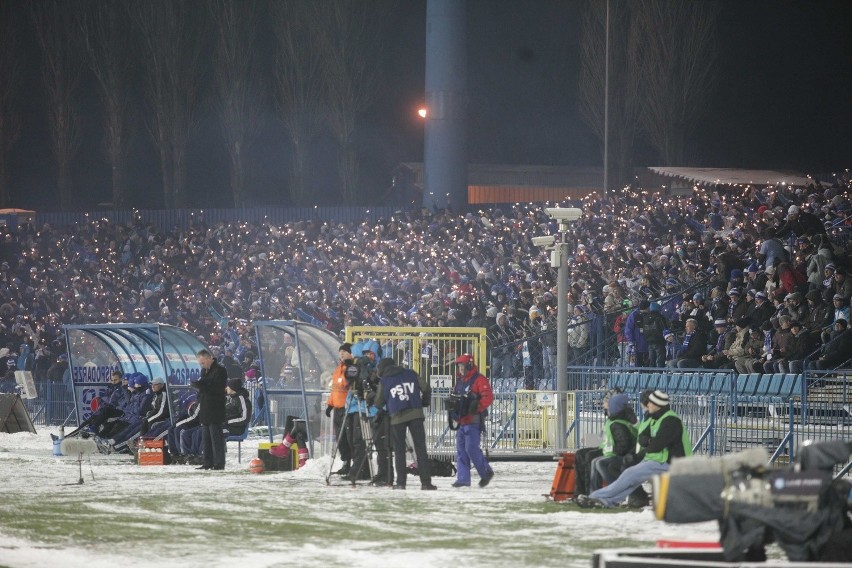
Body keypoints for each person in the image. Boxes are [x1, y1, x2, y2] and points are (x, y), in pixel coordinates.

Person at [576, 390, 691, 508]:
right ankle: (606, 501)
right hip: (657, 460)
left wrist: (648, 442)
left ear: (657, 404)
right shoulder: (656, 418)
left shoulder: (670, 421)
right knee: (629, 478)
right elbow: (642, 438)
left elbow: (655, 446)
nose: (647, 405)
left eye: (650, 402)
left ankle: (595, 496)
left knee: (628, 475)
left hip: (670, 463)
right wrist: (649, 441)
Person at [372, 357, 437, 490]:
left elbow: (378, 402)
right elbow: (426, 388)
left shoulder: (385, 381)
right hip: (416, 414)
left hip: (397, 417)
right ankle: (426, 483)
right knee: (421, 449)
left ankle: (401, 483)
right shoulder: (411, 373)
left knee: (400, 451)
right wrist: (424, 402)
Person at [449, 354, 495, 488]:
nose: (460, 368)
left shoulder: (479, 380)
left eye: (462, 365)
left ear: (469, 365)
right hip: (462, 421)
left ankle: (486, 472)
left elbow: (488, 397)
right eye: (459, 365)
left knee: (471, 448)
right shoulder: (460, 380)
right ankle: (463, 479)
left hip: (473, 421)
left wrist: (477, 407)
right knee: (461, 450)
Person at [588, 393, 637, 493]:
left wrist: (608, 448)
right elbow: (604, 440)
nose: (604, 406)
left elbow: (624, 446)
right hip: (614, 453)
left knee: (599, 462)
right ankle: (594, 493)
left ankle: (614, 491)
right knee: (593, 460)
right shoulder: (614, 421)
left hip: (624, 455)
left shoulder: (618, 424)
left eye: (608, 403)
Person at [191, 348, 228, 471]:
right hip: (205, 407)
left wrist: (203, 384)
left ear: (209, 358)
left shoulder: (220, 370)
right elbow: (205, 386)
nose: (202, 365)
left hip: (216, 408)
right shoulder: (204, 372)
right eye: (200, 363)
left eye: (203, 362)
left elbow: (217, 388)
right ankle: (207, 462)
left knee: (216, 437)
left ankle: (219, 463)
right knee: (206, 437)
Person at [325, 343, 354, 476]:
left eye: (344, 351)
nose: (341, 354)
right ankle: (345, 463)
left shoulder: (351, 368)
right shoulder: (338, 369)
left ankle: (353, 463)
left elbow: (346, 384)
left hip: (347, 409)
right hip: (337, 408)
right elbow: (334, 389)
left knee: (349, 438)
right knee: (340, 439)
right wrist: (330, 405)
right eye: (340, 351)